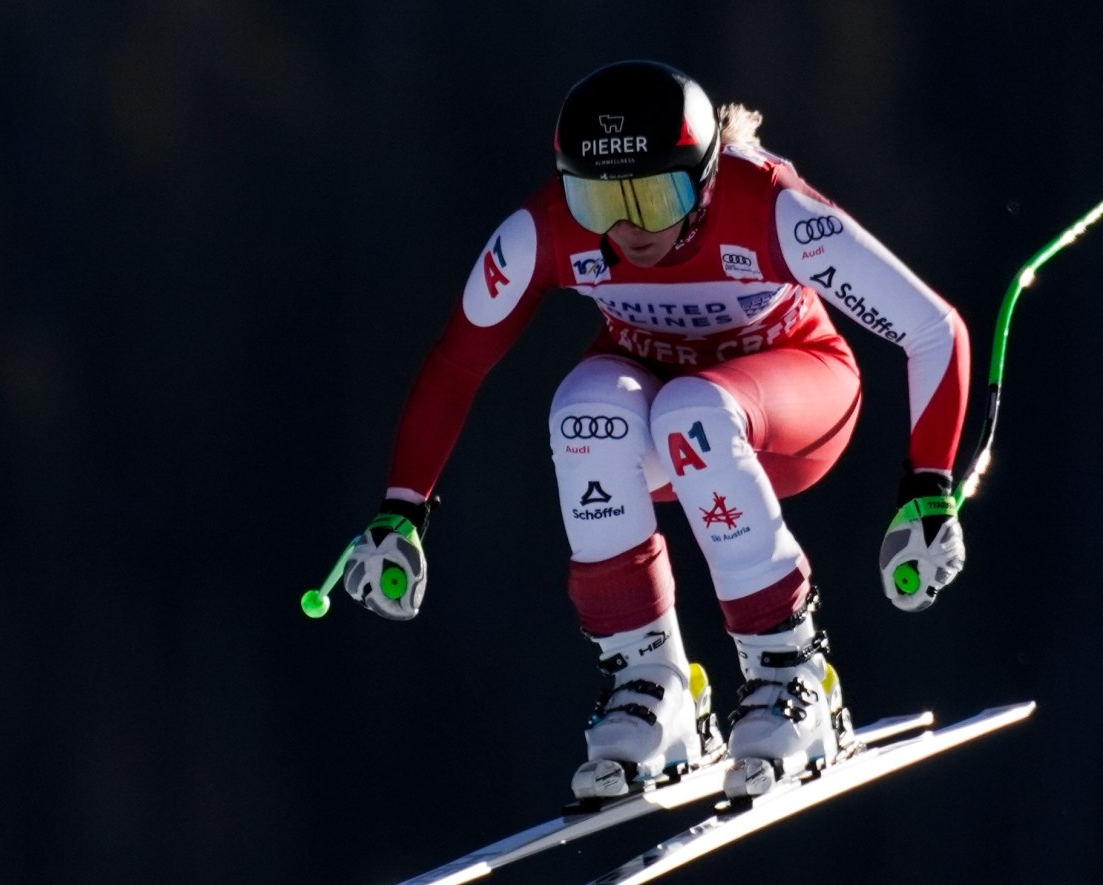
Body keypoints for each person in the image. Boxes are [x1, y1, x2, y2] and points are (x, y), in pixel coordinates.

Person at [344, 59, 971, 801]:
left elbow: (933, 328)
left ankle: (792, 673)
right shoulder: (543, 230)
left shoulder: (770, 207)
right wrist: (401, 509)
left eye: (655, 196)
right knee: (581, 413)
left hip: (796, 400)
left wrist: (928, 488)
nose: (627, 226)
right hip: (667, 407)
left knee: (693, 416)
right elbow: (457, 363)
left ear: (705, 178)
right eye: (598, 198)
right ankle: (652, 683)